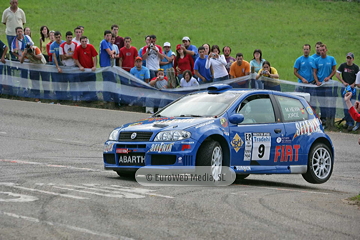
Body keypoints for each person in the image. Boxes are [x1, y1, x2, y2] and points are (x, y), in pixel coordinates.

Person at [313, 44, 337, 128]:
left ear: (326, 50)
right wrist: (317, 81)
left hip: (328, 85)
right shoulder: (317, 60)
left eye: (323, 50)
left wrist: (329, 77)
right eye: (320, 50)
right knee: (321, 102)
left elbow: (334, 70)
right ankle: (323, 120)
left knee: (328, 102)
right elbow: (315, 72)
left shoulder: (331, 59)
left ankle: (329, 120)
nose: (322, 52)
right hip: (320, 85)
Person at [336, 52, 359, 131]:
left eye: (350, 58)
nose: (348, 60)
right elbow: (337, 74)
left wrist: (354, 84)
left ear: (353, 59)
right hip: (345, 88)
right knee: (345, 105)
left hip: (352, 89)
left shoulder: (355, 67)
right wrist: (343, 82)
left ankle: (351, 123)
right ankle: (347, 121)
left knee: (352, 105)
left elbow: (358, 77)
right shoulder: (343, 65)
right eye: (347, 58)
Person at [73, 36, 98, 101]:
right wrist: (80, 66)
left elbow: (95, 56)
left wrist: (94, 66)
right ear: (80, 42)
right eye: (83, 41)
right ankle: (85, 97)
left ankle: (93, 96)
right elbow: (75, 58)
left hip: (91, 70)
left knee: (92, 84)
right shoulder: (78, 49)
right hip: (83, 71)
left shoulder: (91, 47)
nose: (84, 43)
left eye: (85, 41)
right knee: (84, 84)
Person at [60, 31, 79, 101]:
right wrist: (71, 56)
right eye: (68, 37)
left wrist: (68, 56)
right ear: (66, 38)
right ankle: (64, 97)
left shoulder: (75, 44)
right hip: (65, 66)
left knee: (73, 82)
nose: (70, 39)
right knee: (64, 82)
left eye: (71, 37)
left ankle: (73, 96)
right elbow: (62, 57)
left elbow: (76, 55)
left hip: (73, 66)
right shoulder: (62, 46)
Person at [99, 30, 116, 103]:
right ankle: (106, 98)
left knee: (111, 81)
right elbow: (110, 52)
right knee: (106, 82)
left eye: (110, 36)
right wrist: (113, 52)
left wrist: (112, 53)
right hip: (105, 65)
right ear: (104, 36)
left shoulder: (108, 43)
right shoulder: (104, 42)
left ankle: (110, 96)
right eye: (107, 36)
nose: (109, 37)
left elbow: (112, 55)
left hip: (109, 65)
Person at [50, 31, 66, 100]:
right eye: (56, 37)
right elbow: (54, 57)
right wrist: (57, 67)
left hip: (63, 64)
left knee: (63, 80)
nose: (58, 39)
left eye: (59, 37)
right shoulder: (52, 45)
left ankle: (64, 94)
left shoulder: (64, 43)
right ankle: (57, 95)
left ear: (61, 36)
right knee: (56, 81)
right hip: (56, 64)